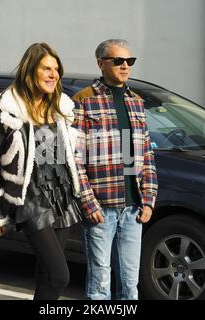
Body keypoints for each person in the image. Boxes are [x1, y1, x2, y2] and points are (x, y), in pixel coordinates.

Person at [0, 43, 81, 300]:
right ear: (31, 70)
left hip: (61, 195)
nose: (53, 74)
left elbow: (69, 156)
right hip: (30, 199)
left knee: (46, 276)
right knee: (60, 276)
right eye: (46, 68)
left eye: (56, 69)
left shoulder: (61, 107)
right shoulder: (6, 107)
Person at [72, 39, 158, 300]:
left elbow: (147, 153)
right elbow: (74, 157)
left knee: (130, 284)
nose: (124, 66)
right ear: (101, 63)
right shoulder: (84, 100)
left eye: (129, 61)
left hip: (133, 208)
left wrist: (149, 199)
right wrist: (88, 203)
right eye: (118, 61)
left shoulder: (135, 101)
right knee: (100, 284)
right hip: (101, 207)